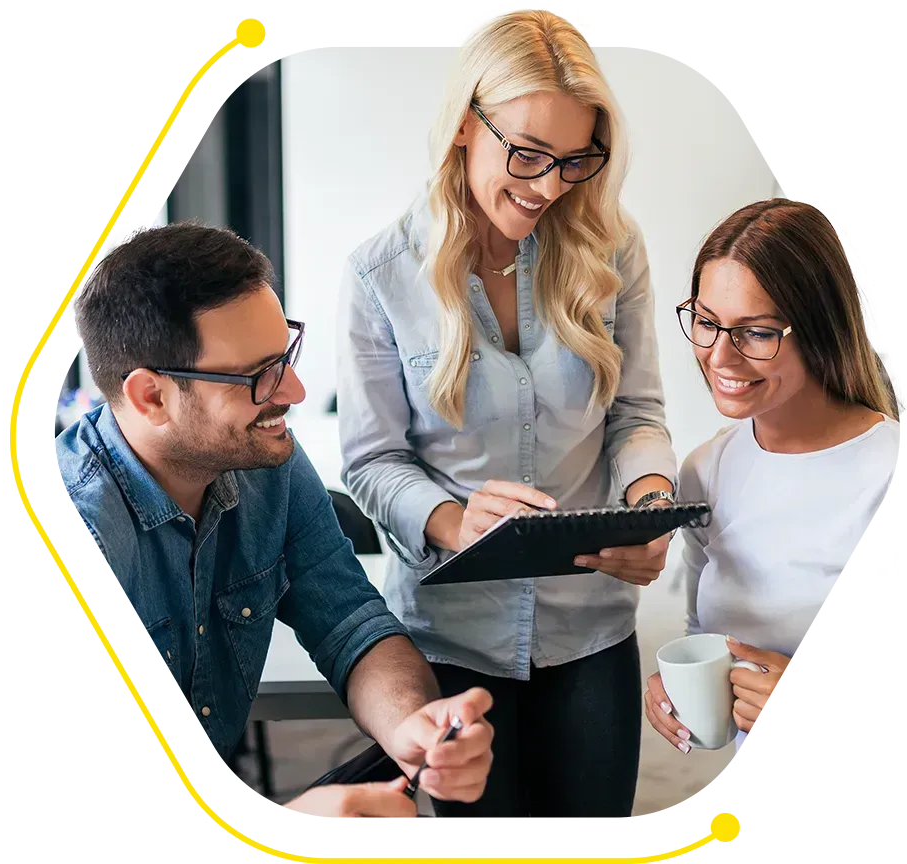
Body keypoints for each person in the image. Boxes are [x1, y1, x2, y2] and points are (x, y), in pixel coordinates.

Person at [337, 9, 677, 823]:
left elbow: (635, 412)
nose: (549, 186)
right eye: (526, 154)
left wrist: (650, 503)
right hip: (448, 640)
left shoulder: (612, 248)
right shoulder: (380, 275)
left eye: (574, 160)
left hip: (591, 632)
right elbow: (371, 462)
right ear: (463, 125)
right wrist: (456, 522)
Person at [54, 223, 494, 819]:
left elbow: (348, 620)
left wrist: (410, 727)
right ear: (151, 396)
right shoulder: (70, 533)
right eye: (257, 374)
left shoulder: (263, 462)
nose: (295, 389)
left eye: (285, 355)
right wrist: (288, 829)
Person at [644, 199, 904, 753]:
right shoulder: (705, 470)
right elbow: (705, 635)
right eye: (707, 323)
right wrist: (682, 685)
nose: (719, 357)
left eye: (756, 333)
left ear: (819, 330)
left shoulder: (899, 474)